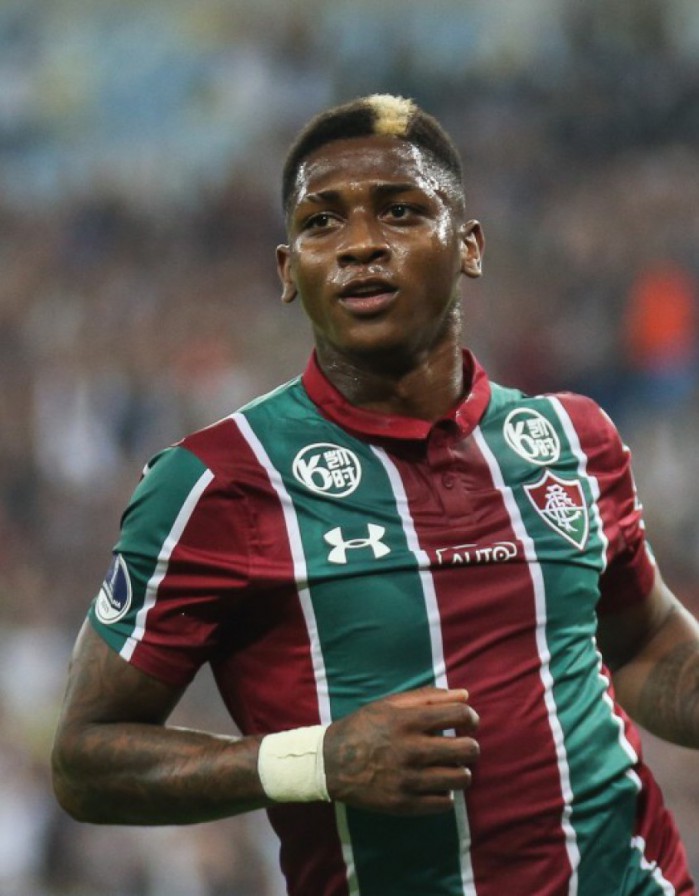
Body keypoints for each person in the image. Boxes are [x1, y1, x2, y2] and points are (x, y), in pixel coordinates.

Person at [52, 94, 699, 896]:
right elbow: (85, 761)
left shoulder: (572, 437)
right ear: (289, 272)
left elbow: (641, 643)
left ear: (468, 246)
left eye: (399, 211)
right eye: (321, 222)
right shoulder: (218, 481)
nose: (360, 244)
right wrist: (315, 762)